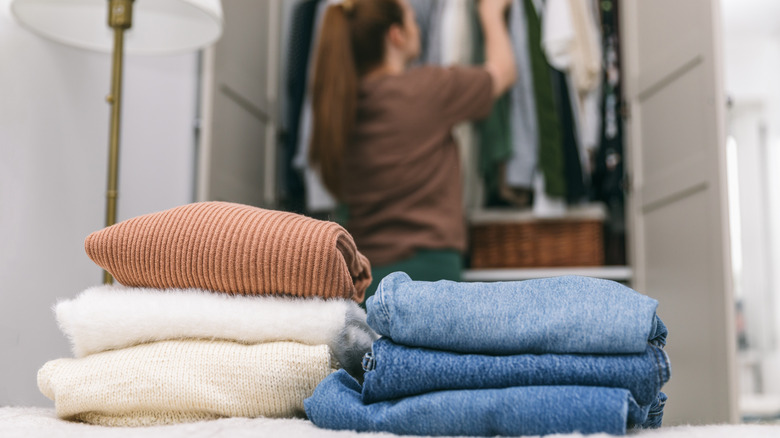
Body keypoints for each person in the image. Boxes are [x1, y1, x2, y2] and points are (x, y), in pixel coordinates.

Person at [309, 0, 516, 302]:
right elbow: (503, 72)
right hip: (431, 279)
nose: (418, 25)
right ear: (396, 35)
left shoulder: (339, 108)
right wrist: (491, 13)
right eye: (412, 19)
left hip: (365, 283)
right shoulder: (430, 89)